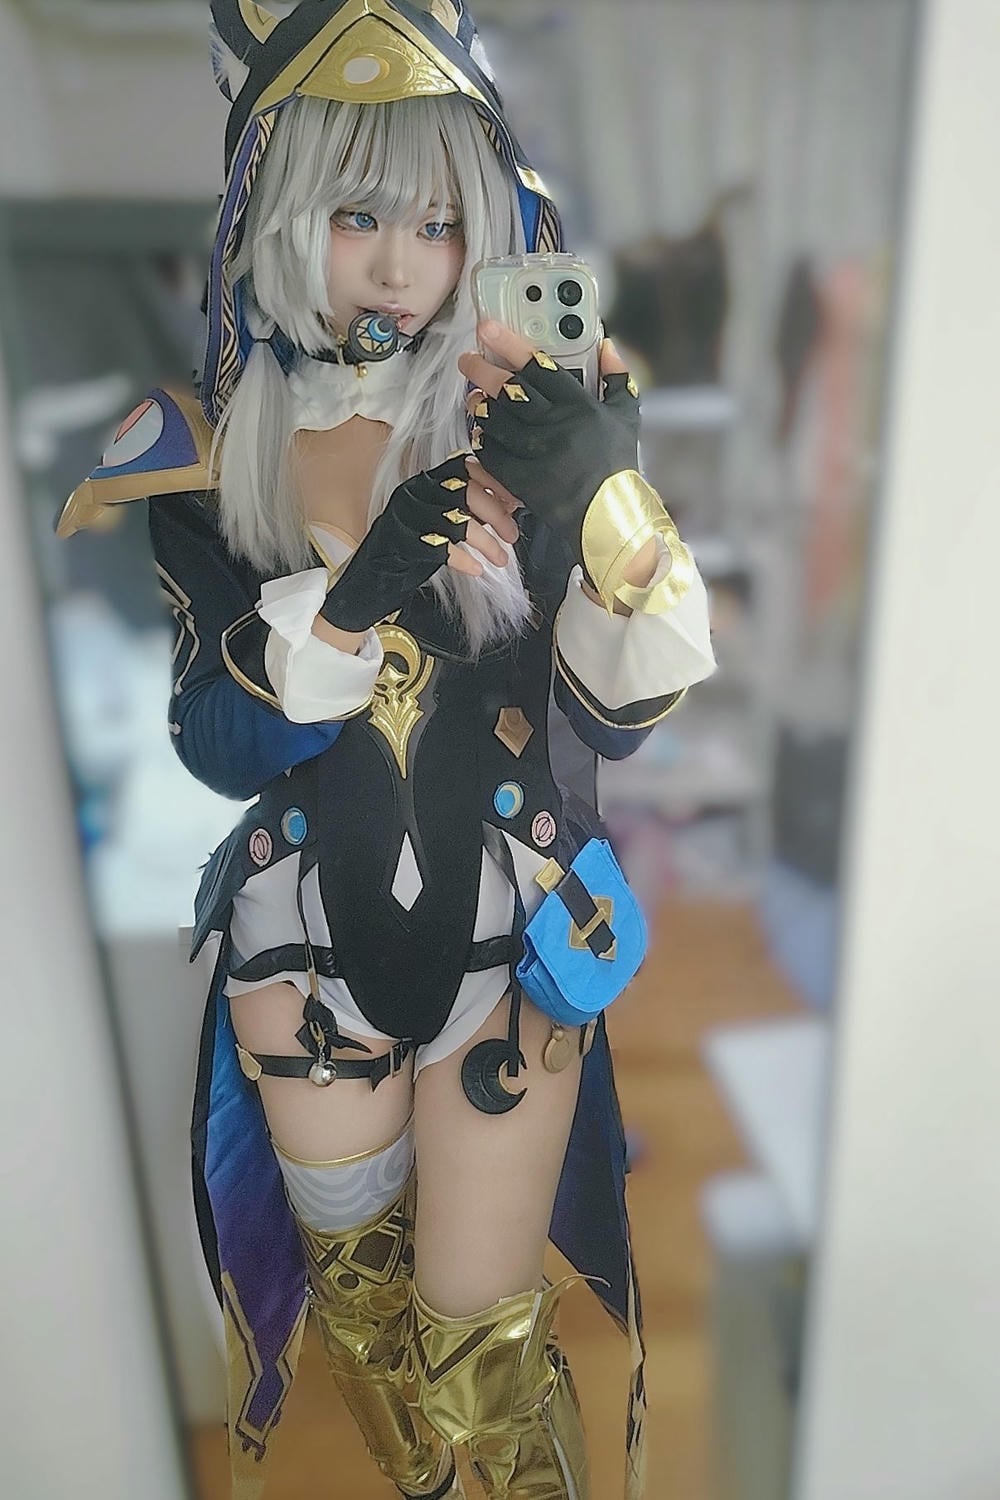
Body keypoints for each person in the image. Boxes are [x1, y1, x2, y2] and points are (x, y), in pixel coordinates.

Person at [60, 4, 716, 1497]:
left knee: (483, 1341)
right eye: (359, 214)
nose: (402, 263)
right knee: (365, 1324)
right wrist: (350, 602)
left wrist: (600, 501)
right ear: (282, 209)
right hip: (301, 944)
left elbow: (621, 709)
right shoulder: (197, 451)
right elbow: (213, 740)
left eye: (439, 219)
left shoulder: (528, 427)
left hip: (509, 937)